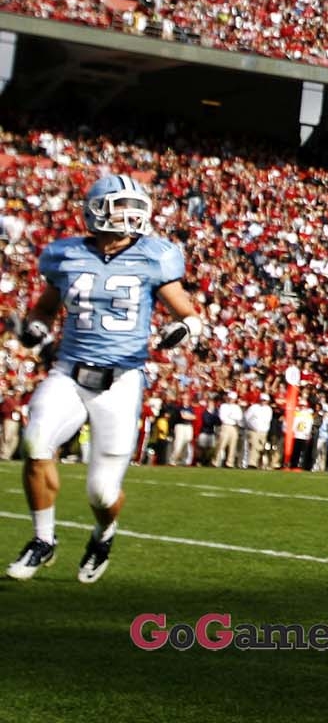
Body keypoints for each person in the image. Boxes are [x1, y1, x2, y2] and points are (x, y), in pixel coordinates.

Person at [6, 174, 206, 583]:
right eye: (119, 206)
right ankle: (43, 540)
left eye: (135, 207)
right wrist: (36, 329)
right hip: (69, 370)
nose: (130, 215)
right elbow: (44, 310)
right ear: (96, 210)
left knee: (102, 492)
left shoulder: (155, 256)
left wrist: (183, 331)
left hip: (122, 378)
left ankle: (104, 532)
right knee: (35, 440)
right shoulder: (66, 255)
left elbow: (188, 314)